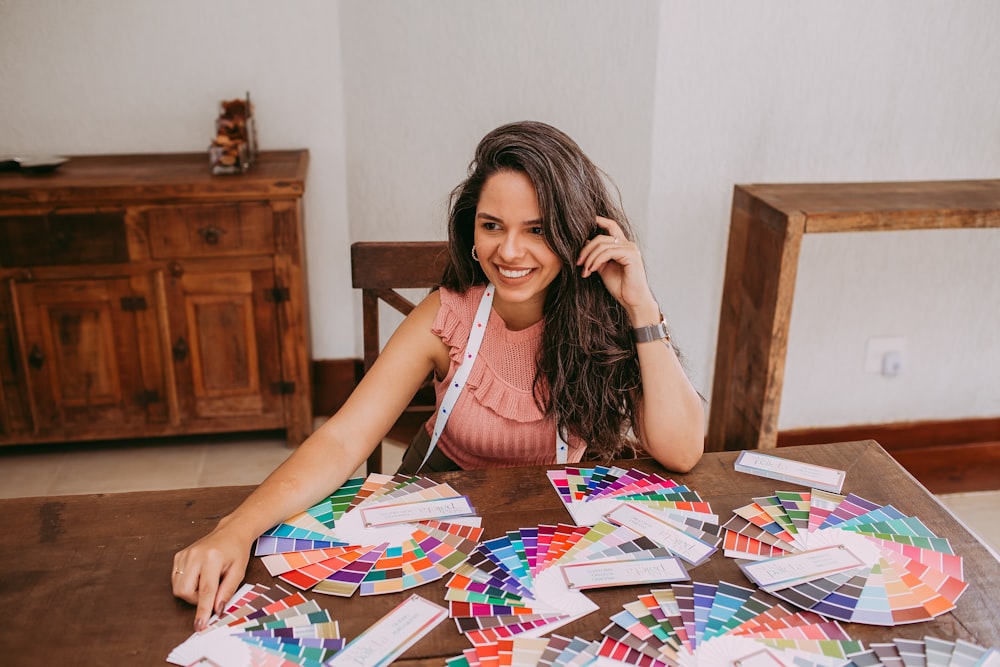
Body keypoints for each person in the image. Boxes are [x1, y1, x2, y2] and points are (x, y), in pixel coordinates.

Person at [172, 120, 705, 630]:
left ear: (574, 232)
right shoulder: (445, 318)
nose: (510, 250)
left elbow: (682, 451)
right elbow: (342, 440)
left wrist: (640, 306)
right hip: (432, 523)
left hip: (549, 532)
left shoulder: (605, 318)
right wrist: (236, 530)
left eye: (537, 230)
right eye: (492, 225)